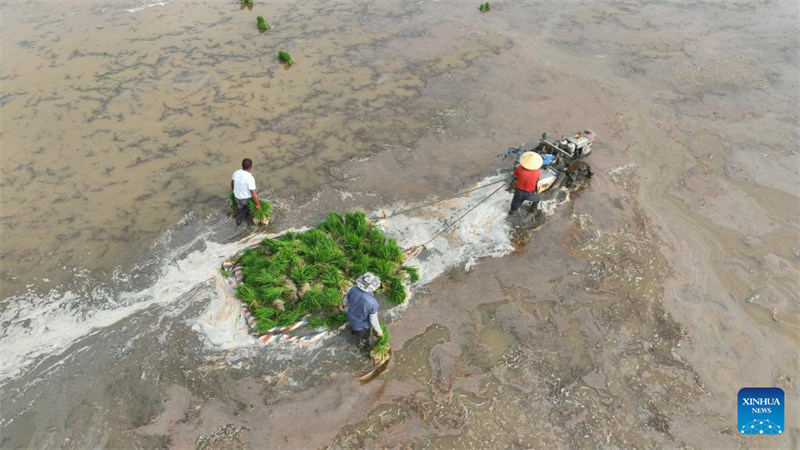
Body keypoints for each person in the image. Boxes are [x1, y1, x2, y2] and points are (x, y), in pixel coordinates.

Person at [342, 272, 384, 344]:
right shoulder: (373, 303)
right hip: (361, 324)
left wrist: (345, 308)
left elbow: (345, 302)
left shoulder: (353, 289)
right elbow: (373, 320)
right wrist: (379, 331)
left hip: (350, 316)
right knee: (364, 335)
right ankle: (362, 342)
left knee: (354, 327)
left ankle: (354, 331)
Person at [231, 158, 261, 224]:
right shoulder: (250, 178)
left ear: (242, 165)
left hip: (237, 198)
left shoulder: (236, 172)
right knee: (250, 210)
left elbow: (232, 183)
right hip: (245, 200)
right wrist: (258, 205)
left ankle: (239, 222)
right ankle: (249, 221)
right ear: (250, 167)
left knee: (241, 211)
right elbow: (253, 193)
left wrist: (234, 191)